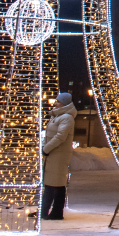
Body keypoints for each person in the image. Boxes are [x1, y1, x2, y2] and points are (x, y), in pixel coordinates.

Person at [40, 91, 76, 220]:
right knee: (54, 184)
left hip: (58, 155)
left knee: (54, 185)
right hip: (54, 155)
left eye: (58, 101)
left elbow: (60, 136)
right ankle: (48, 212)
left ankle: (51, 212)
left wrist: (46, 149)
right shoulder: (59, 116)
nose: (56, 103)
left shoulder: (66, 117)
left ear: (64, 103)